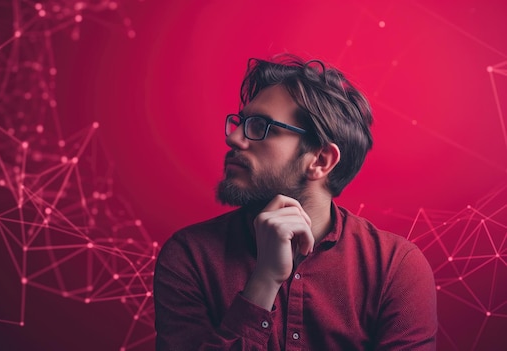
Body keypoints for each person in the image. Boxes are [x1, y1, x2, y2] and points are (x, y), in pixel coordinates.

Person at [153, 54, 437, 350]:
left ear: (320, 160)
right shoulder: (190, 257)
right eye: (241, 123)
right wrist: (264, 281)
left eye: (260, 126)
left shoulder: (394, 268)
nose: (235, 138)